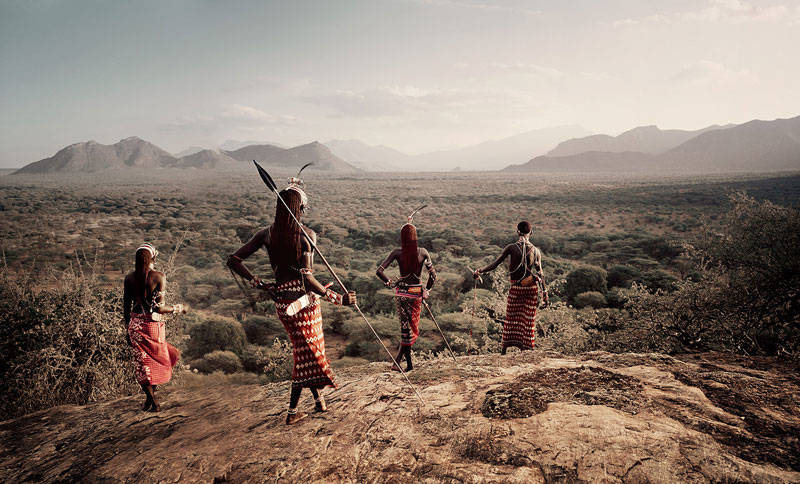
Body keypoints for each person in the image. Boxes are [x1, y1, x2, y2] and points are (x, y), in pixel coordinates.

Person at [227, 178, 356, 425]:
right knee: (306, 353)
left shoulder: (265, 234)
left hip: (282, 304)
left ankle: (319, 401)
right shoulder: (307, 235)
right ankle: (292, 412)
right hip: (305, 304)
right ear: (301, 208)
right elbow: (307, 278)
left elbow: (234, 259)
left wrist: (262, 285)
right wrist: (339, 299)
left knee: (307, 351)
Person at [123, 243, 186, 412]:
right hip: (153, 327)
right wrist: (179, 308)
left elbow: (125, 307)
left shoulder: (129, 278)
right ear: (153, 258)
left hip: (135, 326)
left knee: (143, 366)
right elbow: (159, 308)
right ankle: (153, 402)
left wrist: (127, 330)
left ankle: (149, 401)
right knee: (160, 361)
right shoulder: (159, 277)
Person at [473, 221, 549, 354]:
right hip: (531, 289)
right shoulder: (536, 251)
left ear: (518, 232)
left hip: (516, 288)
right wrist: (545, 295)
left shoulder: (511, 248)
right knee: (528, 320)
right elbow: (540, 274)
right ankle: (527, 348)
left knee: (511, 318)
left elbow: (495, 264)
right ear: (531, 232)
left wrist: (480, 271)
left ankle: (504, 349)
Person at [376, 220, 437, 372]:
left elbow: (379, 271)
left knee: (405, 330)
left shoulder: (397, 253)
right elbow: (433, 275)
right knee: (412, 329)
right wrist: (427, 290)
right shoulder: (423, 252)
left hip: (401, 295)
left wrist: (390, 283)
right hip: (416, 294)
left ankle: (405, 364)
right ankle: (404, 364)